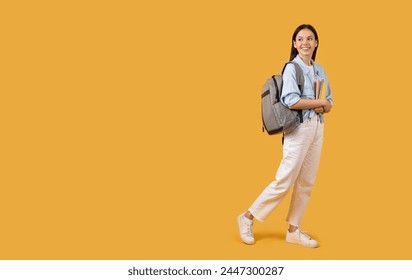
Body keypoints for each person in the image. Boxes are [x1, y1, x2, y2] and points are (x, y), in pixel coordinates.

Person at [237, 24, 333, 248]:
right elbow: (291, 100)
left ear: (316, 43)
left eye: (310, 39)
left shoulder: (320, 70)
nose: (305, 43)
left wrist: (323, 105)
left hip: (318, 127)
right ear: (294, 43)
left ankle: (293, 230)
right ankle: (247, 217)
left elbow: (331, 102)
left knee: (306, 181)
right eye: (300, 39)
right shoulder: (292, 68)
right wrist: (320, 103)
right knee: (284, 180)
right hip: (298, 129)